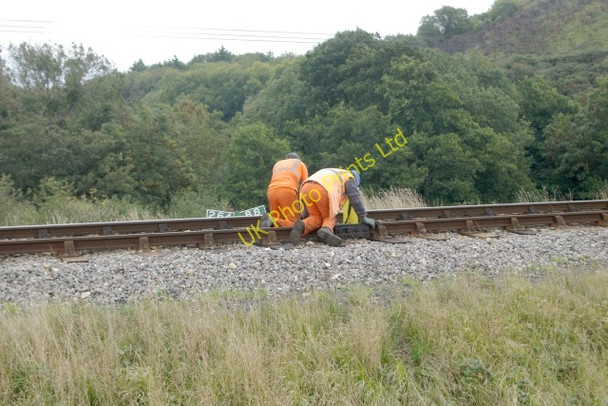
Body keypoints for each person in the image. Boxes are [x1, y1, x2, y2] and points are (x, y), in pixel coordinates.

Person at [289, 168, 379, 247]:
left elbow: (306, 206)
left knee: (316, 217)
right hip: (322, 188)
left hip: (305, 187)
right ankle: (326, 229)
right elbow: (354, 197)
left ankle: (303, 224)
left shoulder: (337, 172)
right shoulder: (350, 178)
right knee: (330, 216)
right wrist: (363, 217)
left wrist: (305, 216)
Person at [261, 152, 308, 228]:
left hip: (271, 191)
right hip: (287, 190)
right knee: (295, 223)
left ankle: (272, 222)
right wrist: (305, 208)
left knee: (276, 222)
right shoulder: (300, 163)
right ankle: (273, 220)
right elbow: (305, 186)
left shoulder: (277, 164)